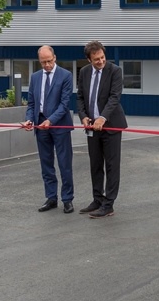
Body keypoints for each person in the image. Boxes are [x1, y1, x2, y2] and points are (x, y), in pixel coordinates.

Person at [76, 41, 128, 218]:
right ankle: (97, 199)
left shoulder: (115, 71)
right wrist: (83, 116)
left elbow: (114, 97)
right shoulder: (84, 72)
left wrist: (102, 118)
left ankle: (108, 204)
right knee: (95, 164)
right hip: (92, 128)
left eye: (102, 57)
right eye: (96, 59)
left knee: (112, 166)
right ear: (89, 59)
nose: (100, 61)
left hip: (111, 125)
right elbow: (80, 97)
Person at [24, 46, 75, 214]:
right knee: (46, 164)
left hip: (59, 126)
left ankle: (67, 199)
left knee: (64, 164)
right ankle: (51, 197)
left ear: (55, 57)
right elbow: (31, 103)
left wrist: (50, 120)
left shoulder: (66, 76)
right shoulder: (35, 77)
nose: (46, 65)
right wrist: (29, 119)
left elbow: (64, 104)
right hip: (40, 126)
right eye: (43, 62)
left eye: (49, 61)